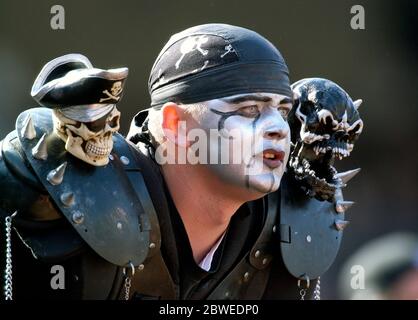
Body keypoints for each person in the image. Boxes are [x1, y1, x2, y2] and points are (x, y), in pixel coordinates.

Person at [1, 24, 362, 300]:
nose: (278, 129)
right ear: (175, 126)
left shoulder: (286, 224)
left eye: (282, 110)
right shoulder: (69, 193)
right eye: (249, 109)